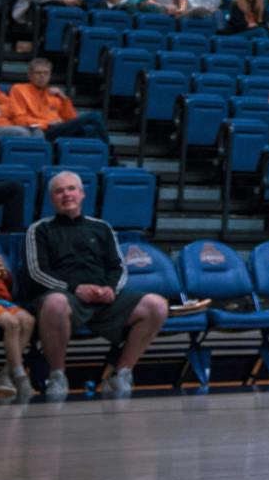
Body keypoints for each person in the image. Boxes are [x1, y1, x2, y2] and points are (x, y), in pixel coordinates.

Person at [27, 171, 169, 401]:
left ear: (82, 194)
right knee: (55, 303)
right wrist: (76, 289)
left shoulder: (102, 227)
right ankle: (57, 376)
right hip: (67, 297)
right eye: (59, 191)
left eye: (71, 189)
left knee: (157, 305)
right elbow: (37, 272)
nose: (66, 194)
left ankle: (121, 373)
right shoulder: (39, 229)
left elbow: (118, 267)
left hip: (104, 299)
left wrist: (111, 289)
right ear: (52, 199)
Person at [0, 224, 34, 400]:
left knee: (28, 320)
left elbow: (10, 287)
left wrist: (5, 275)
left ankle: (5, 373)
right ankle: (19, 375)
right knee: (11, 323)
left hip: (2, 300)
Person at [8, 57, 103, 140]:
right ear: (30, 75)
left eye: (46, 73)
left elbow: (71, 118)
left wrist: (63, 98)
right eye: (38, 73)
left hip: (60, 128)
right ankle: (109, 152)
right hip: (42, 130)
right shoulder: (19, 89)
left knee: (91, 130)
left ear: (50, 76)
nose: (42, 76)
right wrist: (48, 123)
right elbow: (19, 119)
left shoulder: (54, 93)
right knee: (94, 117)